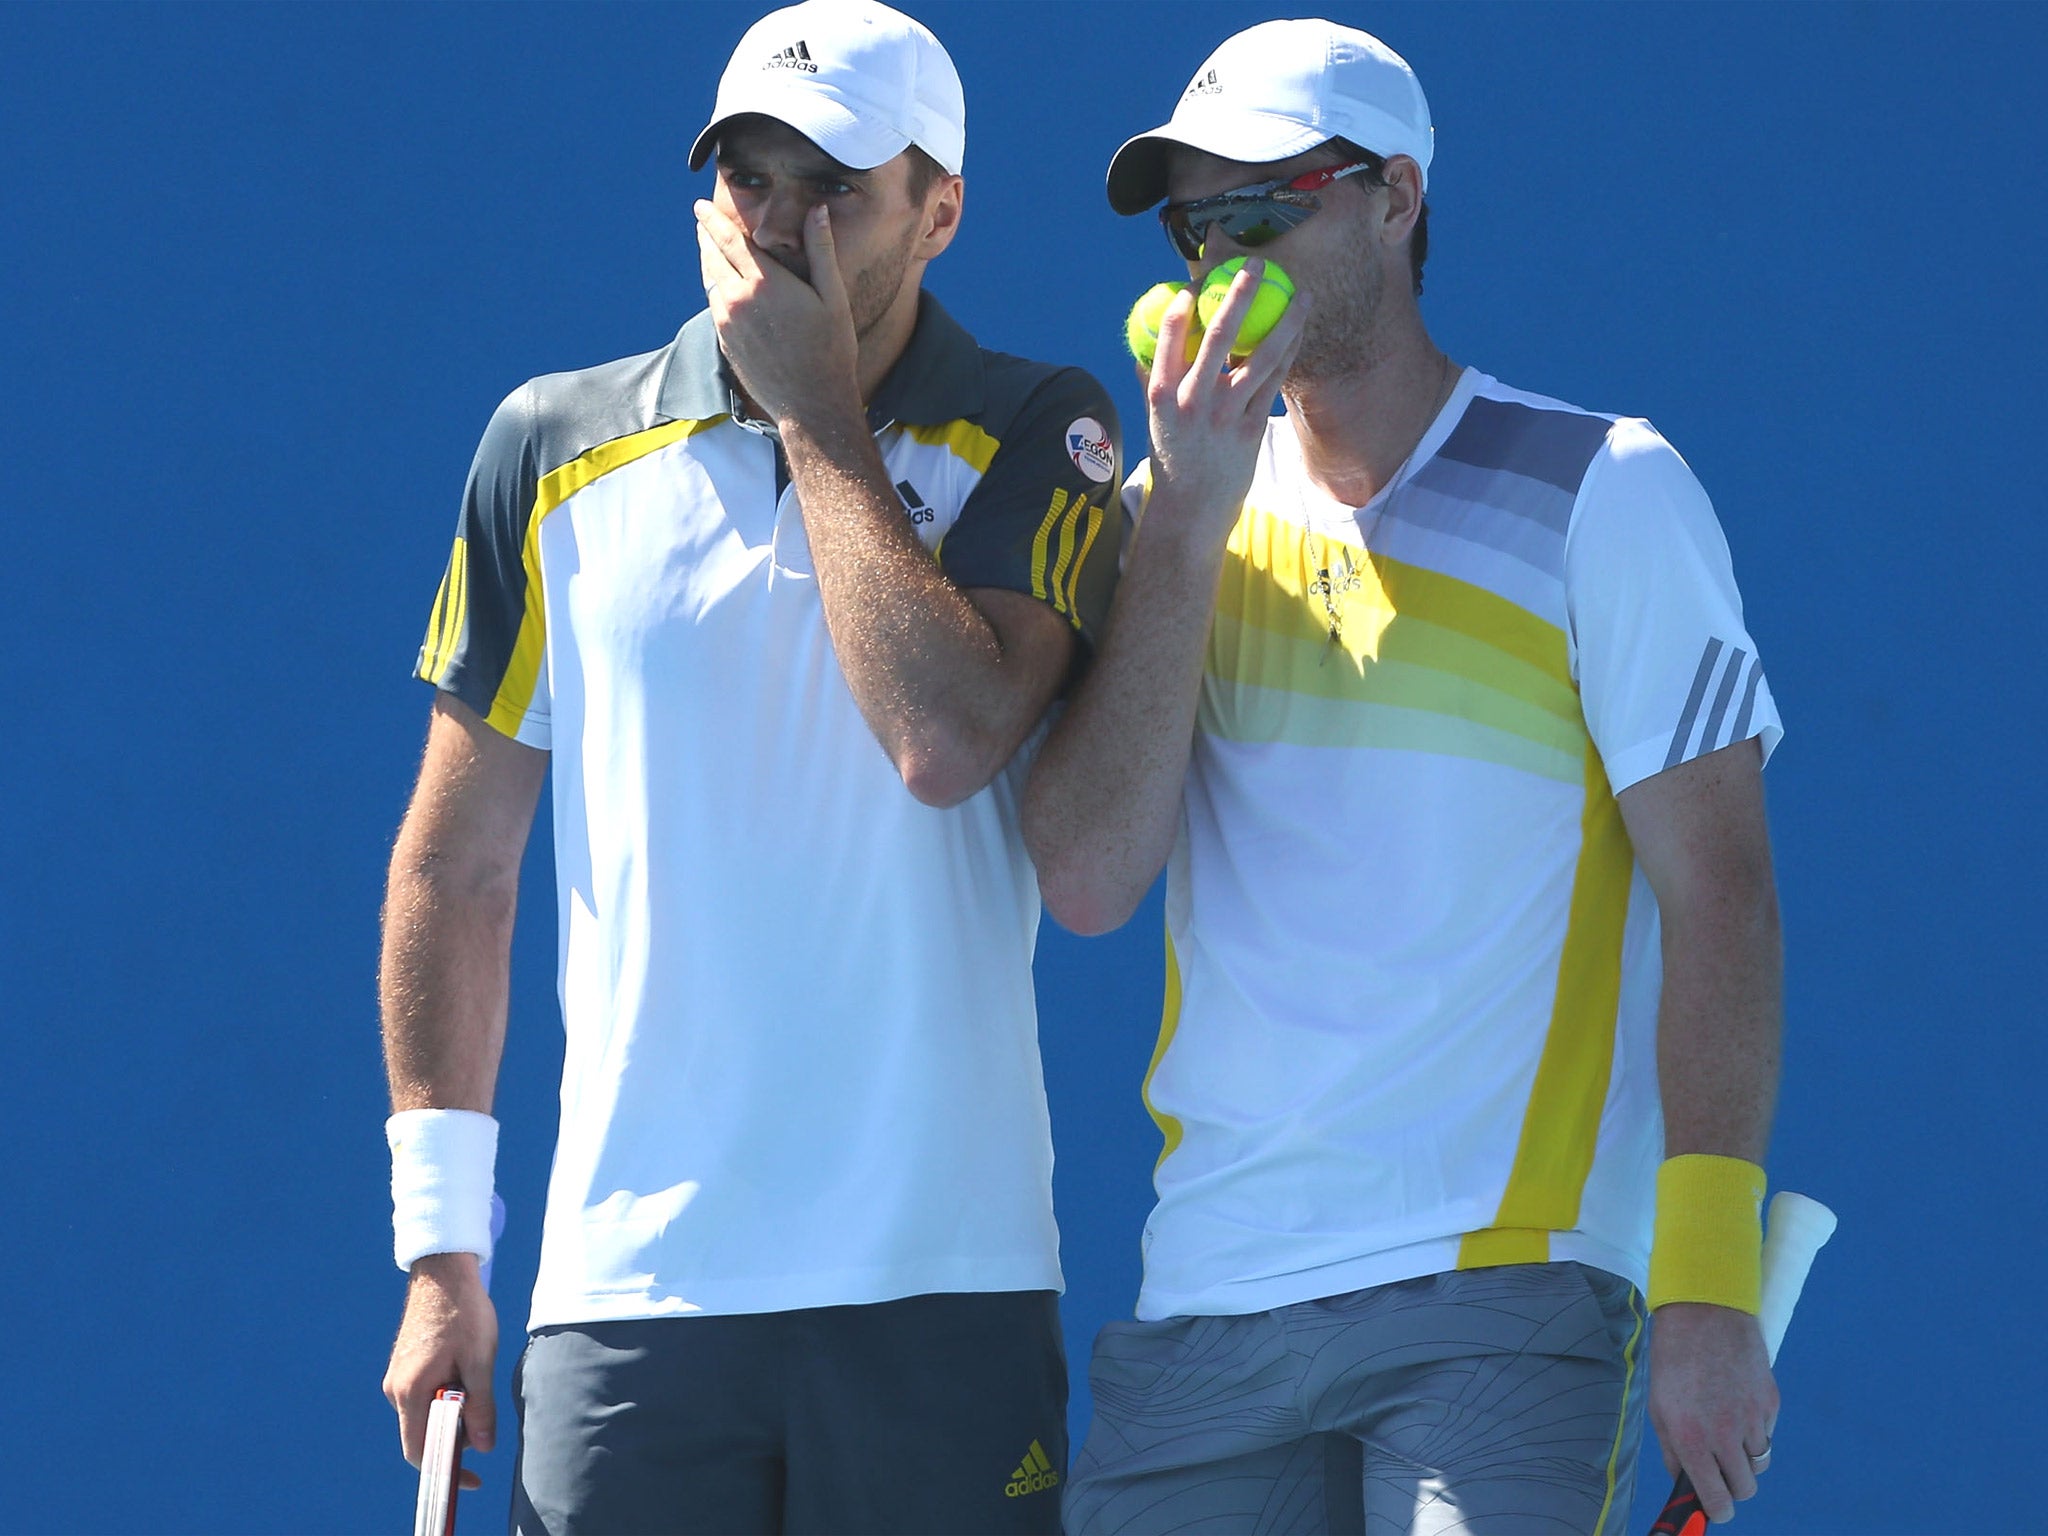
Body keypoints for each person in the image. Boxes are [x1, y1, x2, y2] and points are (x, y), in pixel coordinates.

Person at [1026, 19, 1785, 1535]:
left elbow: (1724, 902)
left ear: (1396, 196)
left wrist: (1706, 1283)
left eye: (1268, 206)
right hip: (1209, 1294)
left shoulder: (1604, 489)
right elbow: (1089, 880)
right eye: (1197, 224)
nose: (1220, 258)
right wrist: (1179, 531)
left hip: (1502, 1293)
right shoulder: (1179, 523)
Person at [376, 4, 1123, 1531]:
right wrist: (442, 1255)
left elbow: (946, 739)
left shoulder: (1045, 426)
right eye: (748, 177)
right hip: (627, 1298)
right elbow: (457, 866)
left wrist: (816, 413)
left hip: (944, 1286)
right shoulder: (548, 446)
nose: (778, 225)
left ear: (941, 213)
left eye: (833, 185)